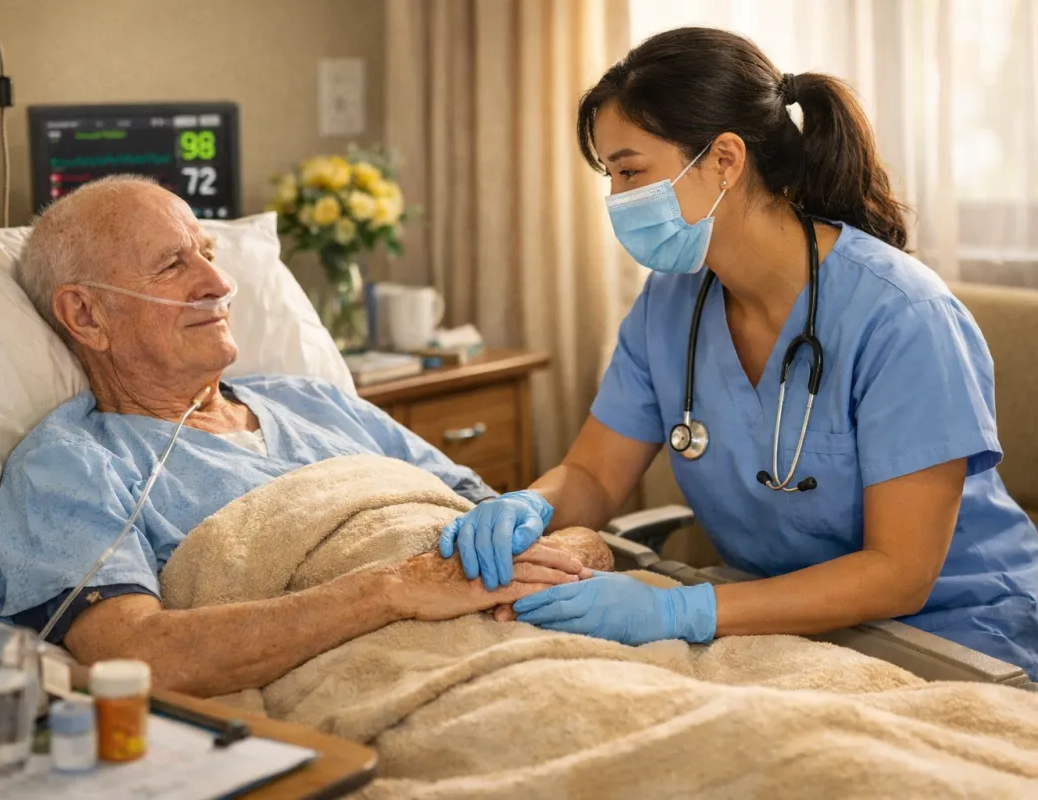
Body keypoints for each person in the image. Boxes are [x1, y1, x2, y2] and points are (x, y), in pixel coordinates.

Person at [440, 26, 1038, 678]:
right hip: (781, 633)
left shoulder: (903, 317)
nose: (617, 200)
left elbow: (898, 575)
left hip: (956, 644)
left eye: (632, 171)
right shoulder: (669, 306)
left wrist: (679, 611)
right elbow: (594, 475)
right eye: (611, 176)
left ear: (725, 160)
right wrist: (529, 506)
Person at [0, 176, 612, 697]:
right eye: (173, 264)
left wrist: (579, 559)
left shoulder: (314, 401)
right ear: (86, 316)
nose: (218, 283)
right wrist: (392, 589)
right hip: (405, 677)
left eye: (209, 253)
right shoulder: (71, 465)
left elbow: (518, 521)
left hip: (547, 630)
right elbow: (136, 656)